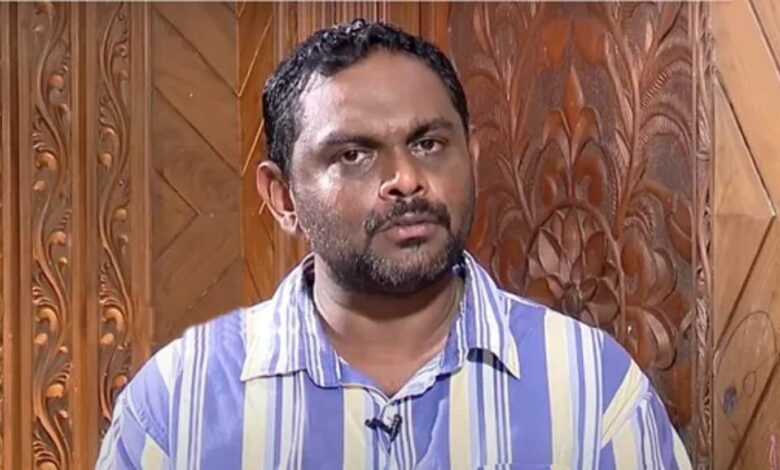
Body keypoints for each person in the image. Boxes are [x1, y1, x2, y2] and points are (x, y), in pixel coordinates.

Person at [97, 19, 691, 469]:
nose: (405, 179)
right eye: (353, 155)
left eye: (429, 144)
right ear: (282, 197)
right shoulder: (178, 405)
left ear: (471, 158)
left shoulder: (591, 390)